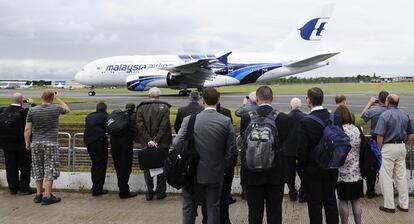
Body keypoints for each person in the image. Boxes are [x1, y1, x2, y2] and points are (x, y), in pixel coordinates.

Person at [174, 87, 236, 224]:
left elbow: (176, 142)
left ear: (203, 101)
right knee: (213, 208)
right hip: (215, 172)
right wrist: (224, 167)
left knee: (189, 207)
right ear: (218, 101)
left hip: (192, 172)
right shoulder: (225, 121)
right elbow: (231, 149)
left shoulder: (189, 120)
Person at [240, 86, 291, 224]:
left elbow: (244, 145)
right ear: (272, 99)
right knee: (274, 212)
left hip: (252, 174)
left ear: (256, 99)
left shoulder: (246, 118)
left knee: (254, 214)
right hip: (275, 174)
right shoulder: (284, 118)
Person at [297, 87, 340, 224]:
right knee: (331, 202)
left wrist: (302, 169)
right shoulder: (335, 118)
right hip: (332, 167)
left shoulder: (305, 121)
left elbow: (302, 150)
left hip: (312, 170)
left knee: (315, 205)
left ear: (309, 101)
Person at [24, 89, 70, 205]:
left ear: (41, 97)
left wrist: (27, 142)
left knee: (37, 167)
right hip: (50, 143)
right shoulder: (56, 108)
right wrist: (58, 98)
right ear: (52, 98)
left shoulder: (32, 110)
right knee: (50, 167)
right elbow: (67, 109)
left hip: (37, 143)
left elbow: (27, 128)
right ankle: (47, 195)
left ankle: (38, 194)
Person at [374, 94, 414, 213]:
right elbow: (411, 134)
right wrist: (405, 143)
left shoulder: (384, 115)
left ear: (387, 102)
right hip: (401, 146)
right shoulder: (404, 115)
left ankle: (389, 205)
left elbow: (380, 136)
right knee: (401, 177)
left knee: (386, 177)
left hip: (388, 147)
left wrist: (379, 150)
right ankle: (404, 204)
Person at [136, 87, 172, 201]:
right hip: (162, 143)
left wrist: (149, 140)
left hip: (146, 143)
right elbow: (164, 126)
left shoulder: (141, 108)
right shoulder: (165, 107)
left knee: (147, 168)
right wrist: (156, 140)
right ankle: (160, 192)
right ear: (159, 96)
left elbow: (140, 126)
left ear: (149, 95)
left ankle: (149, 192)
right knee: (161, 168)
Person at [0, 93, 36, 195]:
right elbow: (38, 110)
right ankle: (24, 188)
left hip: (6, 144)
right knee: (25, 166)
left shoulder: (3, 110)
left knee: (10, 166)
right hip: (22, 144)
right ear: (21, 101)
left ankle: (13, 188)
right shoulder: (24, 111)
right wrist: (32, 103)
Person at [335, 105, 363, 224]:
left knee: (343, 201)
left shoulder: (338, 131)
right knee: (356, 201)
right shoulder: (358, 129)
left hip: (342, 173)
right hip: (357, 172)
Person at [361, 90, 389, 198]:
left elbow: (363, 116)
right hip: (388, 141)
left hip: (375, 141)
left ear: (379, 99)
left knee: (371, 167)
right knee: (388, 168)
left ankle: (370, 191)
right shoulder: (390, 110)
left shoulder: (375, 111)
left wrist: (370, 103)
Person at [110, 103, 138, 199]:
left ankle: (122, 188)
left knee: (118, 168)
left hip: (114, 144)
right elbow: (134, 130)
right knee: (125, 168)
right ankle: (124, 191)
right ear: (134, 109)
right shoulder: (133, 116)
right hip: (125, 145)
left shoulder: (118, 115)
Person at [284, 97, 306, 202]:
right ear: (300, 106)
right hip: (301, 149)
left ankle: (292, 193)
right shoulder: (305, 117)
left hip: (288, 149)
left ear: (290, 106)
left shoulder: (285, 117)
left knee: (290, 173)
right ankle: (303, 193)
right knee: (303, 172)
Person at [84, 102, 109, 196]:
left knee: (94, 164)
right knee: (101, 165)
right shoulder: (105, 116)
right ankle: (97, 189)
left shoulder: (89, 116)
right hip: (99, 141)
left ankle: (94, 186)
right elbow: (109, 128)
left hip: (88, 141)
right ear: (105, 109)